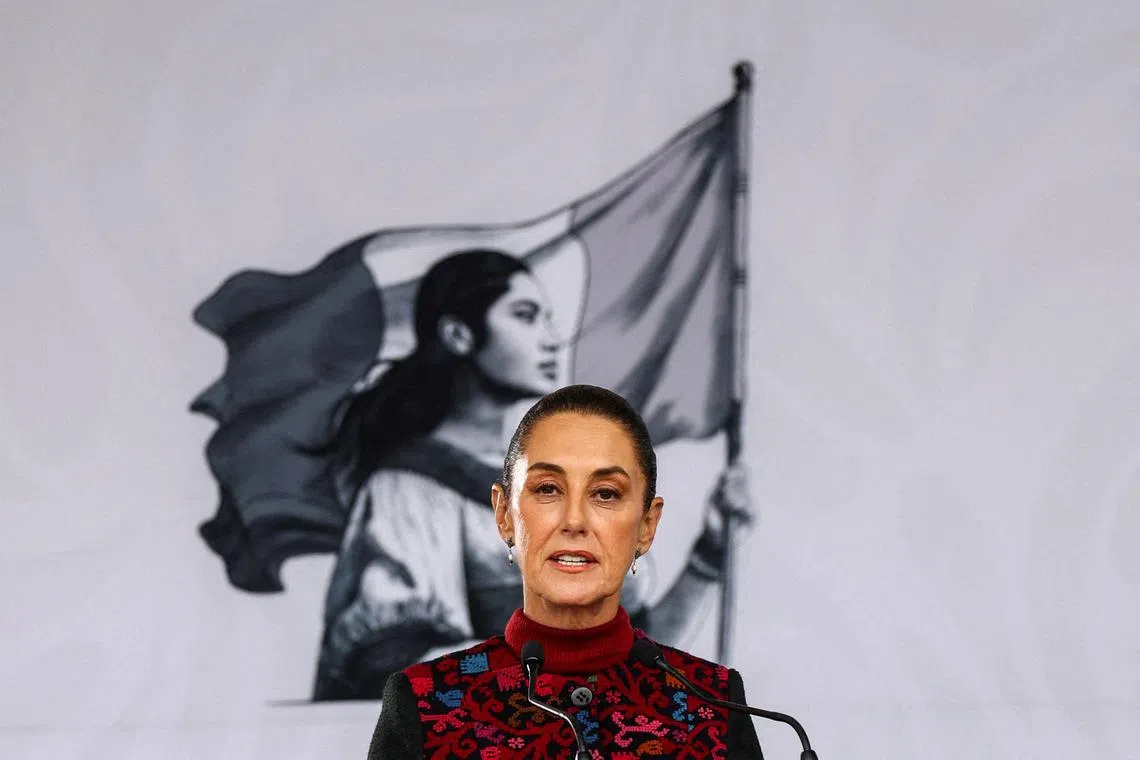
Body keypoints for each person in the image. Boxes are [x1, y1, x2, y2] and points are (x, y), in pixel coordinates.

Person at [314, 249, 750, 702]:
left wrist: (710, 552)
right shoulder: (408, 487)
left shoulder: (552, 483)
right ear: (459, 334)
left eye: (547, 318)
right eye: (525, 316)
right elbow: (397, 670)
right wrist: (569, 678)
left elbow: (637, 667)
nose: (551, 339)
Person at [367, 384, 763, 758]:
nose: (574, 521)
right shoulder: (424, 706)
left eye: (605, 493)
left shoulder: (715, 705)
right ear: (505, 515)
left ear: (646, 526)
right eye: (547, 489)